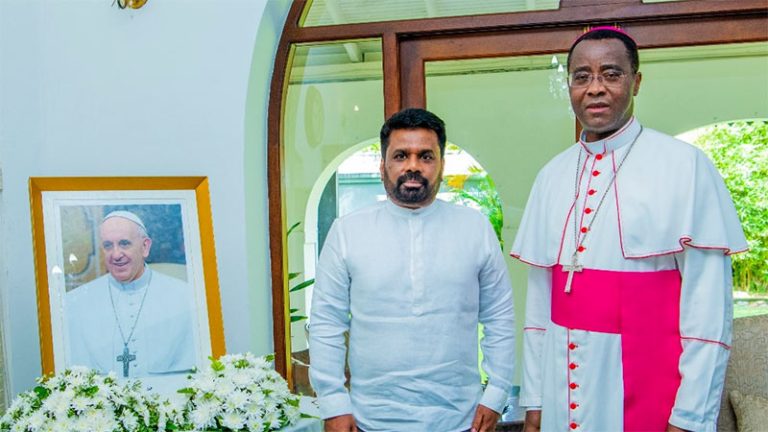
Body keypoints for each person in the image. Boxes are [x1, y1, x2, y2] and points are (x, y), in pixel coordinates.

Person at [510, 27, 748, 432]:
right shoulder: (551, 175)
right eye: (582, 76)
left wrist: (690, 417)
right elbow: (538, 308)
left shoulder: (685, 166)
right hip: (561, 393)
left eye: (611, 74)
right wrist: (535, 399)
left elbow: (708, 313)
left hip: (648, 381)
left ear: (636, 82)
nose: (595, 88)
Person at [309, 108, 516, 432]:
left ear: (442, 165)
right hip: (370, 420)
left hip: (460, 420)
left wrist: (497, 392)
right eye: (401, 155)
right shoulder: (348, 232)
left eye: (426, 156)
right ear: (383, 165)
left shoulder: (474, 229)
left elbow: (499, 317)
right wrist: (333, 403)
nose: (413, 166)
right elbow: (326, 323)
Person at [66, 210, 197, 390]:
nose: (116, 254)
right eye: (108, 245)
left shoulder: (185, 296)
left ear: (145, 247)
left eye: (124, 243)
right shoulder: (75, 303)